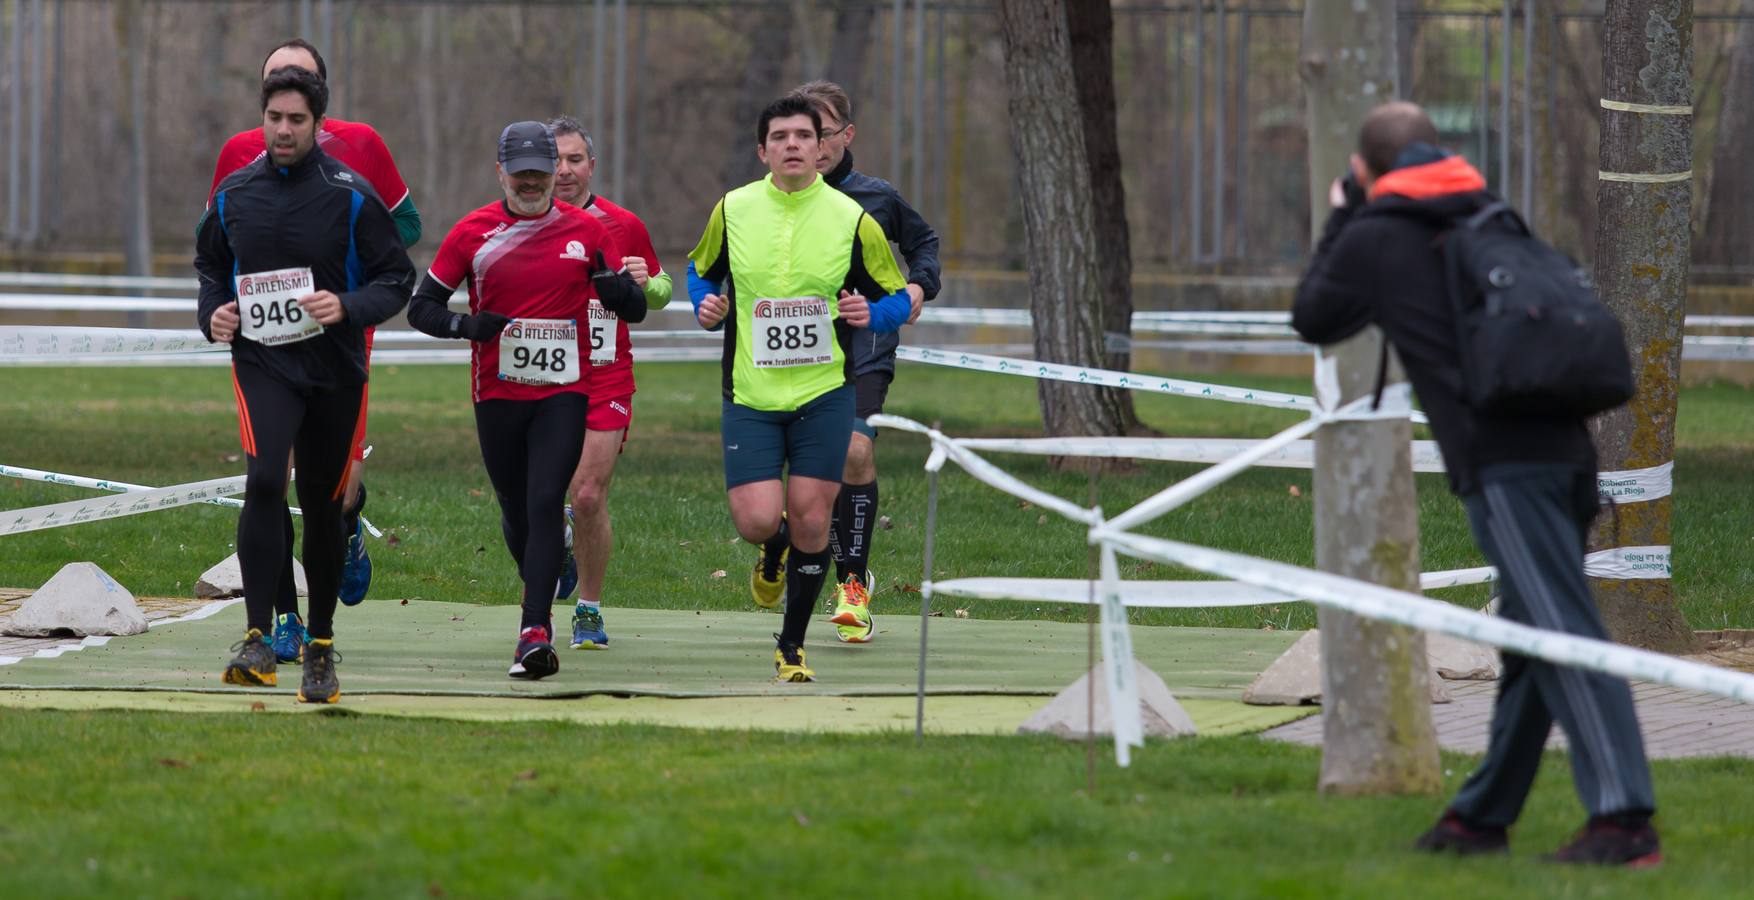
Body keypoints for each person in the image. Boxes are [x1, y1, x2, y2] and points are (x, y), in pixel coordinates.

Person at [1291, 100, 1659, 867]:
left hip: (1508, 467)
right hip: (1567, 451)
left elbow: (1315, 315)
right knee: (1529, 639)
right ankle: (1481, 817)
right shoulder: (1489, 213)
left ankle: (1624, 819)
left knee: (1558, 631)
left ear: (1366, 171)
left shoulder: (1374, 236)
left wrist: (1339, 217)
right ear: (1434, 152)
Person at [195, 66, 414, 703]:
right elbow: (210, 264)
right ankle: (258, 637)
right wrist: (213, 312)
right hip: (262, 362)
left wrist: (346, 306)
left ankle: (320, 645)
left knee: (321, 504)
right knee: (264, 481)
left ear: (318, 124)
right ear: (261, 119)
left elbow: (396, 279)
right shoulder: (235, 194)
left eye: (296, 120)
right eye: (274, 118)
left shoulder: (350, 194)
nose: (283, 130)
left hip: (332, 370)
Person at [405, 121, 644, 680]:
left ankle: (534, 632)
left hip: (564, 392)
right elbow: (422, 309)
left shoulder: (588, 230)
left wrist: (616, 289)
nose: (533, 183)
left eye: (541, 172)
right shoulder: (473, 233)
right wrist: (469, 325)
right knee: (515, 507)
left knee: (544, 501)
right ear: (501, 174)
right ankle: (542, 571)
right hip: (498, 394)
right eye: (522, 174)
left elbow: (633, 306)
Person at [686, 95, 912, 682]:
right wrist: (703, 306)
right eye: (780, 136)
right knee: (757, 520)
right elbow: (699, 269)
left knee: (814, 522)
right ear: (763, 150)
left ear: (821, 148)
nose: (792, 145)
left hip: (824, 395)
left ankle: (791, 647)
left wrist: (873, 315)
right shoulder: (732, 210)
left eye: (803, 136)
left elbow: (896, 296)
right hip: (751, 395)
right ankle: (772, 547)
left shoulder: (852, 218)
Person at [790, 81, 941, 644]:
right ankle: (780, 543)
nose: (810, 145)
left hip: (864, 343)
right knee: (800, 471)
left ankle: (852, 584)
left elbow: (924, 243)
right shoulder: (767, 198)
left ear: (845, 136)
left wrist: (919, 286)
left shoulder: (875, 198)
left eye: (820, 134)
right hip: (794, 350)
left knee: (853, 449)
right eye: (799, 134)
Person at [546, 115, 673, 650]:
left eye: (575, 159)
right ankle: (556, 548)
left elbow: (662, 290)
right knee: (544, 499)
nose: (564, 170)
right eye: (554, 160)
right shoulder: (524, 223)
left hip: (605, 378)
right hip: (541, 378)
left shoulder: (622, 223)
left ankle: (589, 610)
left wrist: (650, 283)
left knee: (590, 496)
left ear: (591, 165)